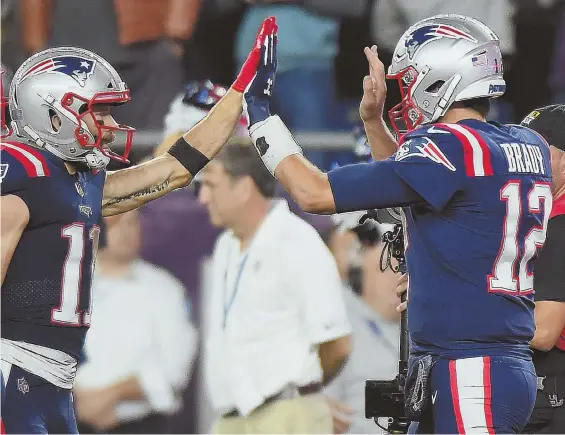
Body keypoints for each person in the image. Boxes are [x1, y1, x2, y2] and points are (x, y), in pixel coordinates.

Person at [243, 13, 553, 433]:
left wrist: (259, 114)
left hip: (471, 367)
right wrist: (375, 122)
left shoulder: (451, 147)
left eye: (409, 82)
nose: (405, 95)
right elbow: (414, 184)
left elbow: (313, 193)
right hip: (482, 362)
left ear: (441, 79)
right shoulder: (524, 143)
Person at [0, 16, 278, 433]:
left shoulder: (75, 180)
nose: (111, 127)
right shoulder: (21, 175)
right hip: (14, 372)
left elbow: (174, 170)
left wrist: (241, 91)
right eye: (100, 114)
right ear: (54, 117)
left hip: (52, 380)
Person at [198, 143, 352, 434]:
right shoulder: (225, 246)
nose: (203, 198)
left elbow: (337, 345)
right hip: (231, 417)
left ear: (244, 187)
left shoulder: (297, 242)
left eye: (210, 185)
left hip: (286, 416)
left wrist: (303, 394)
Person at [73, 210, 197, 434]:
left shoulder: (164, 290)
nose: (126, 231)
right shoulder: (69, 288)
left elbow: (175, 369)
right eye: (117, 222)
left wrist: (114, 394)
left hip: (139, 426)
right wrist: (75, 398)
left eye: (132, 223)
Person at [325, 213, 400, 434]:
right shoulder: (337, 318)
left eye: (405, 271)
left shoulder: (420, 325)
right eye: (389, 269)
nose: (399, 279)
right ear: (360, 270)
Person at [518, 105, 565, 434]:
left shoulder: (560, 226)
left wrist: (460, 314)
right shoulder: (542, 219)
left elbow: (544, 331)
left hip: (553, 388)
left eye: (537, 154)